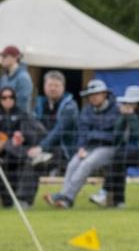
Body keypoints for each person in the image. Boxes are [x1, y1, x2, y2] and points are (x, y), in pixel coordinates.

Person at [48, 77, 124, 205]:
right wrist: (81, 147)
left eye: (96, 94)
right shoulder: (87, 110)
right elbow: (82, 132)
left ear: (104, 94)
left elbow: (116, 136)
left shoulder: (117, 110)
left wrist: (94, 136)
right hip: (89, 147)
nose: (93, 97)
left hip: (108, 148)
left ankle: (66, 197)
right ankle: (65, 198)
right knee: (73, 163)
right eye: (90, 95)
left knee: (87, 164)